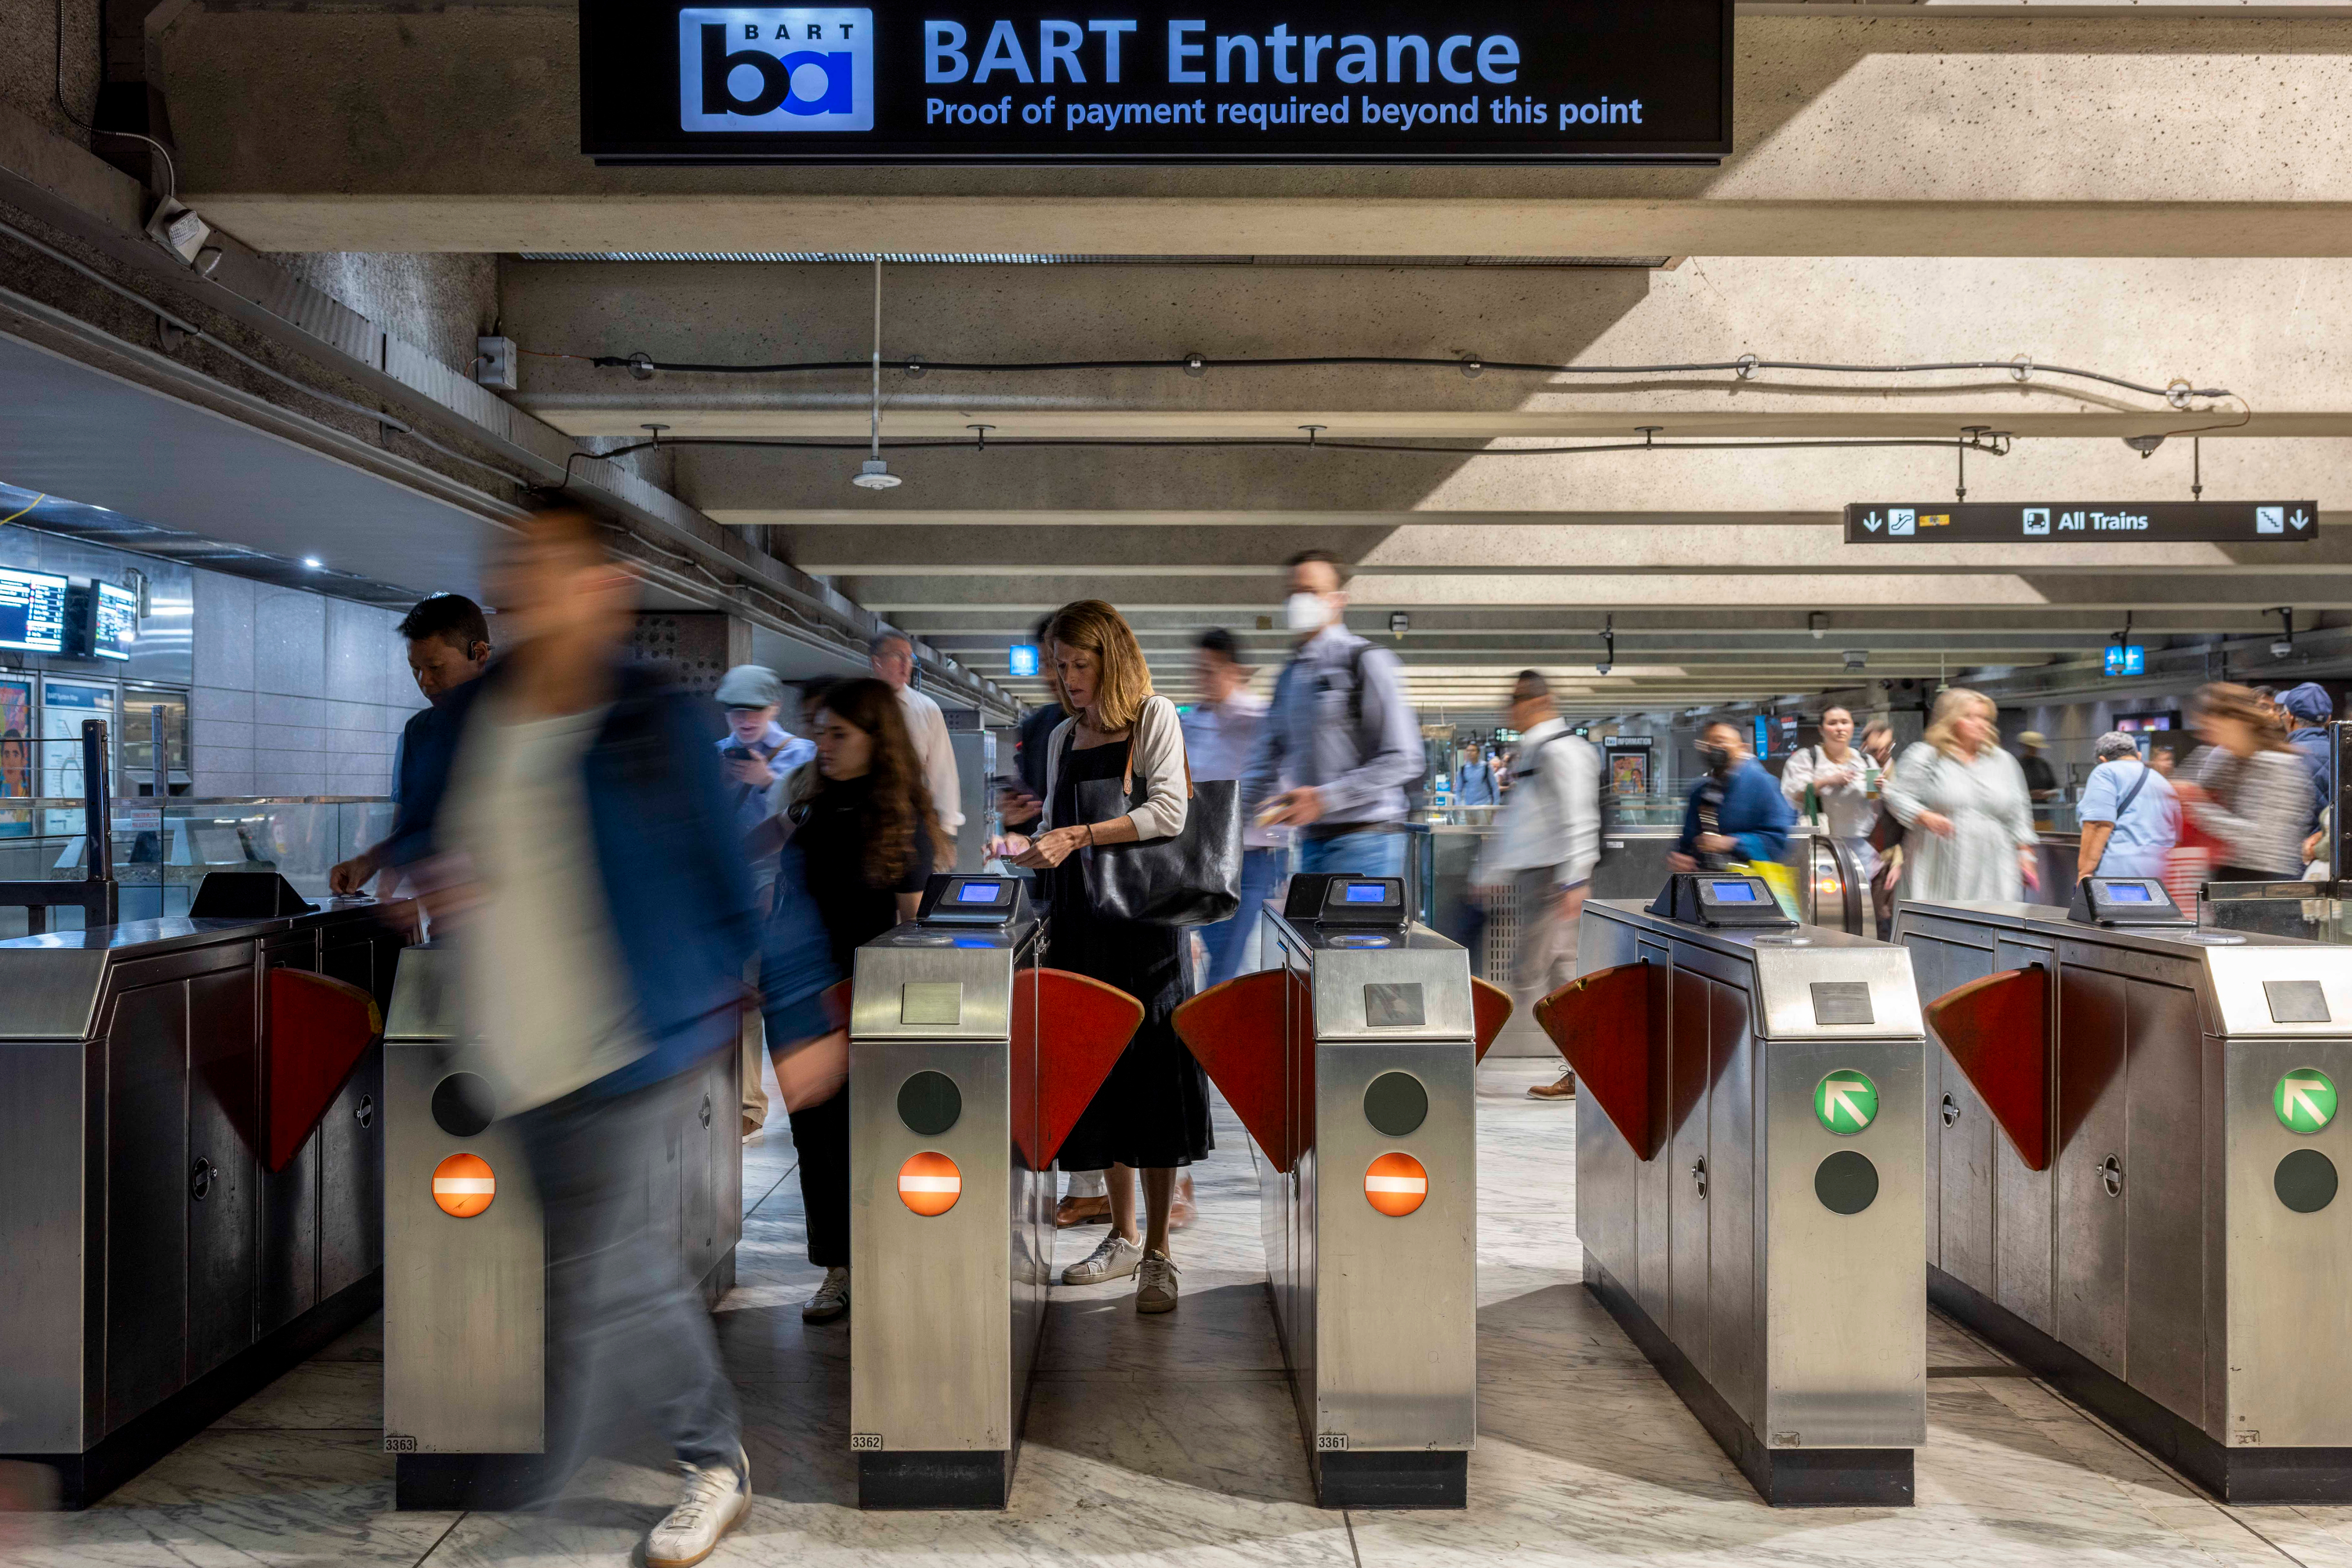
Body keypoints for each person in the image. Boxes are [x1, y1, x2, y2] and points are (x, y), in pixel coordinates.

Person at [388, 509, 758, 1567]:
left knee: (608, 1264)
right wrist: (426, 866)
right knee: (591, 1264)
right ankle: (648, 1457)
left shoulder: (655, 715)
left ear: (604, 588)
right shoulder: (458, 724)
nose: (531, 589)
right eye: (519, 572)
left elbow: (730, 876)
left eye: (554, 570)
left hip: (631, 1033)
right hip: (515, 1042)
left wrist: (788, 1009)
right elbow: (420, 826)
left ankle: (692, 1465)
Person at [996, 599, 1210, 1316]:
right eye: (1059, 665)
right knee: (1107, 1077)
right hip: (1086, 927)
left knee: (1152, 1078)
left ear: (1111, 658)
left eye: (1079, 664)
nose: (1067, 678)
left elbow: (1171, 814)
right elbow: (1058, 831)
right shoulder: (1061, 738)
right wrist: (1031, 846)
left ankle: (1159, 1253)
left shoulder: (1154, 718)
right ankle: (1120, 1236)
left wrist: (1079, 835)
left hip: (1146, 928)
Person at [779, 677, 946, 1324]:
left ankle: (882, 1260)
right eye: (820, 731)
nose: (823, 744)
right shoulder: (812, 810)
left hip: (864, 1006)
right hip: (800, 999)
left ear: (877, 741)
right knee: (815, 1142)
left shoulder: (901, 819)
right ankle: (837, 1270)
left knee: (871, 1138)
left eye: (838, 734)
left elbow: (912, 928)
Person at [1239, 550, 1423, 877]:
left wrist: (1325, 799)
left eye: (1311, 592)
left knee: (1354, 931)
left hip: (1367, 840)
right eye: (1293, 593)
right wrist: (1227, 819)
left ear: (1338, 600)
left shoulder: (1365, 660)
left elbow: (1404, 757)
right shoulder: (1289, 676)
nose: (1299, 602)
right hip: (1311, 842)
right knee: (1309, 931)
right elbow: (1264, 760)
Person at [1475, 671, 1599, 1102]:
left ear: (1534, 703)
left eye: (1514, 703)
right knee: (1559, 974)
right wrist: (1491, 872)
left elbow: (1580, 817)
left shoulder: (1562, 749)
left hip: (1553, 879)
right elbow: (1521, 819)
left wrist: (1575, 878)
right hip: (1539, 877)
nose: (1509, 712)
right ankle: (1587, 1070)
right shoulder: (1534, 749)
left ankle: (1586, 1069)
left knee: (1532, 974)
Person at [327, 593, 492, 895]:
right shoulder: (419, 731)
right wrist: (370, 866)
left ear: (479, 654)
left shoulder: (516, 722)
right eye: (414, 667)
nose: (424, 681)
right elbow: (411, 824)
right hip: (449, 917)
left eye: (436, 667)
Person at [713, 663, 815, 1142]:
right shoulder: (716, 756)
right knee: (733, 991)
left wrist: (765, 777)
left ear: (774, 707)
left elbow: (801, 818)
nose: (745, 719)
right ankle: (739, 1100)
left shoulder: (801, 754)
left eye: (754, 709)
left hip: (779, 889)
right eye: (736, 710)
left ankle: (762, 1101)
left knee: (762, 990)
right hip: (729, 885)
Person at [1182, 626, 1278, 989]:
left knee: (1224, 965)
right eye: (1198, 670)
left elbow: (1276, 781)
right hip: (1199, 857)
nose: (1202, 679)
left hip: (1246, 860)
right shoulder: (1193, 722)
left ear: (1234, 670)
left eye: (1210, 670)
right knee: (1214, 960)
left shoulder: (1258, 719)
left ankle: (1211, 1037)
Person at [1882, 688, 2040, 902]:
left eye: (1985, 718)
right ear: (1950, 719)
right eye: (1970, 717)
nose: (1981, 724)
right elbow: (1895, 796)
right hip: (1938, 862)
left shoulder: (2003, 761)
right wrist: (1923, 816)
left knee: (1993, 922)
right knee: (1940, 923)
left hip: (1993, 864)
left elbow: (2019, 811)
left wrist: (2026, 855)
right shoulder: (1925, 755)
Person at [2177, 682, 2312, 881]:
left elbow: (2260, 837)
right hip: (2225, 876)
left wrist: (2195, 803)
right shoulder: (2223, 760)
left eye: (2211, 724)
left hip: (2264, 883)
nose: (2205, 734)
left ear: (2238, 720)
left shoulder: (2278, 765)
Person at [869, 630, 963, 838]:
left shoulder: (927, 708)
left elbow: (942, 772)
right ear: (877, 662)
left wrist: (945, 831)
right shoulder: (857, 704)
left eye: (909, 657)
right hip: (864, 821)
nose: (906, 664)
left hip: (912, 823)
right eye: (897, 656)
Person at [1668, 720, 1794, 873]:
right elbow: (1688, 840)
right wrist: (1681, 857)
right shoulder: (1700, 791)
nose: (1713, 748)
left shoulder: (1763, 784)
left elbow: (1779, 840)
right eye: (1708, 743)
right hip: (1707, 881)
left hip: (1752, 885)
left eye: (1720, 741)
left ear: (1742, 748)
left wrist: (1732, 843)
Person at [1780, 706, 1883, 877]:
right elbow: (1793, 795)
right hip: (1819, 841)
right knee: (1821, 893)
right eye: (1832, 723)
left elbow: (1874, 800)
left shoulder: (1865, 761)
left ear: (1852, 727)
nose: (1840, 728)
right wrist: (1829, 781)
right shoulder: (1807, 758)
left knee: (1859, 893)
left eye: (1845, 722)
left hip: (1858, 841)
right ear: (1821, 729)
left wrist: (1879, 787)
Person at [2076, 731, 2180, 879]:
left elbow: (2098, 824)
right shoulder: (2164, 782)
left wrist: (2084, 873)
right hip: (2163, 873)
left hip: (2121, 872)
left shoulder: (2105, 772)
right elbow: (2176, 834)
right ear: (2138, 756)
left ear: (2102, 760)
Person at [2279, 681, 2333, 833]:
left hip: (2296, 853)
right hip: (2336, 854)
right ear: (2328, 719)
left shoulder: (2282, 757)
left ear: (2290, 717)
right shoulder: (2343, 753)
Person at [2016, 731, 2060, 803]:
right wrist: (2030, 794)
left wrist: (2047, 793)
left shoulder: (2043, 764)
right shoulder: (2016, 765)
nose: (2034, 749)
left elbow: (2054, 787)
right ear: (2023, 746)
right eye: (2030, 747)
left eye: (2035, 747)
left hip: (2043, 808)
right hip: (2022, 807)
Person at [1455, 742, 1499, 807]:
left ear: (1478, 753)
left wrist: (1496, 804)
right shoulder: (1463, 769)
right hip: (1468, 805)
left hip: (1484, 804)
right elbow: (1458, 789)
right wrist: (1458, 805)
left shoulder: (1486, 767)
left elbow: (1494, 787)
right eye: (1468, 751)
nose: (1470, 753)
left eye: (1473, 750)